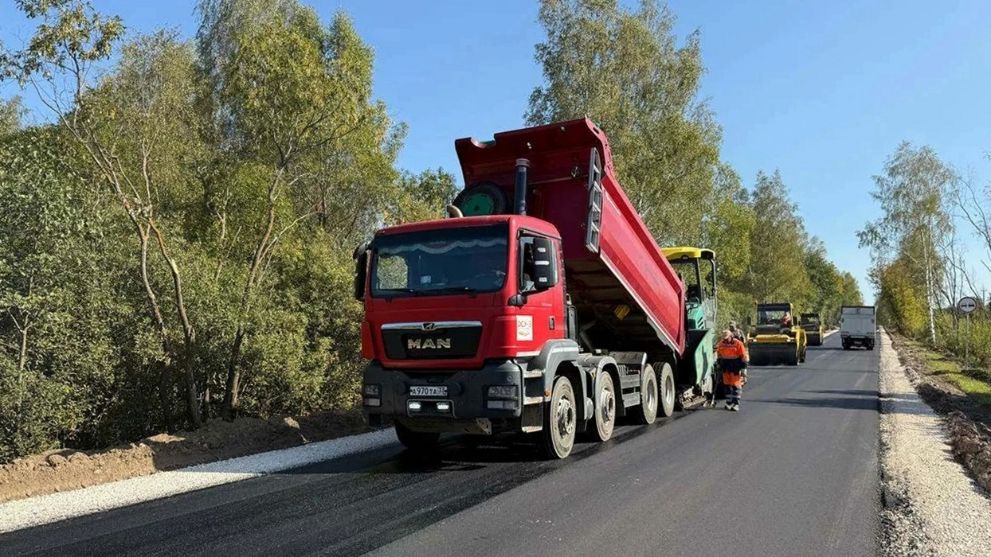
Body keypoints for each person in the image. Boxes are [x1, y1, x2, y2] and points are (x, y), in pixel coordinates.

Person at [717, 329, 749, 411]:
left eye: (726, 338)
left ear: (731, 336)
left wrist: (743, 369)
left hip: (735, 368)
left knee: (735, 386)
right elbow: (719, 355)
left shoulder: (738, 343)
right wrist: (719, 364)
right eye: (724, 338)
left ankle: (736, 404)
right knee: (727, 386)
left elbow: (743, 356)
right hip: (725, 367)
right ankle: (729, 402)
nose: (725, 340)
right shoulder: (721, 344)